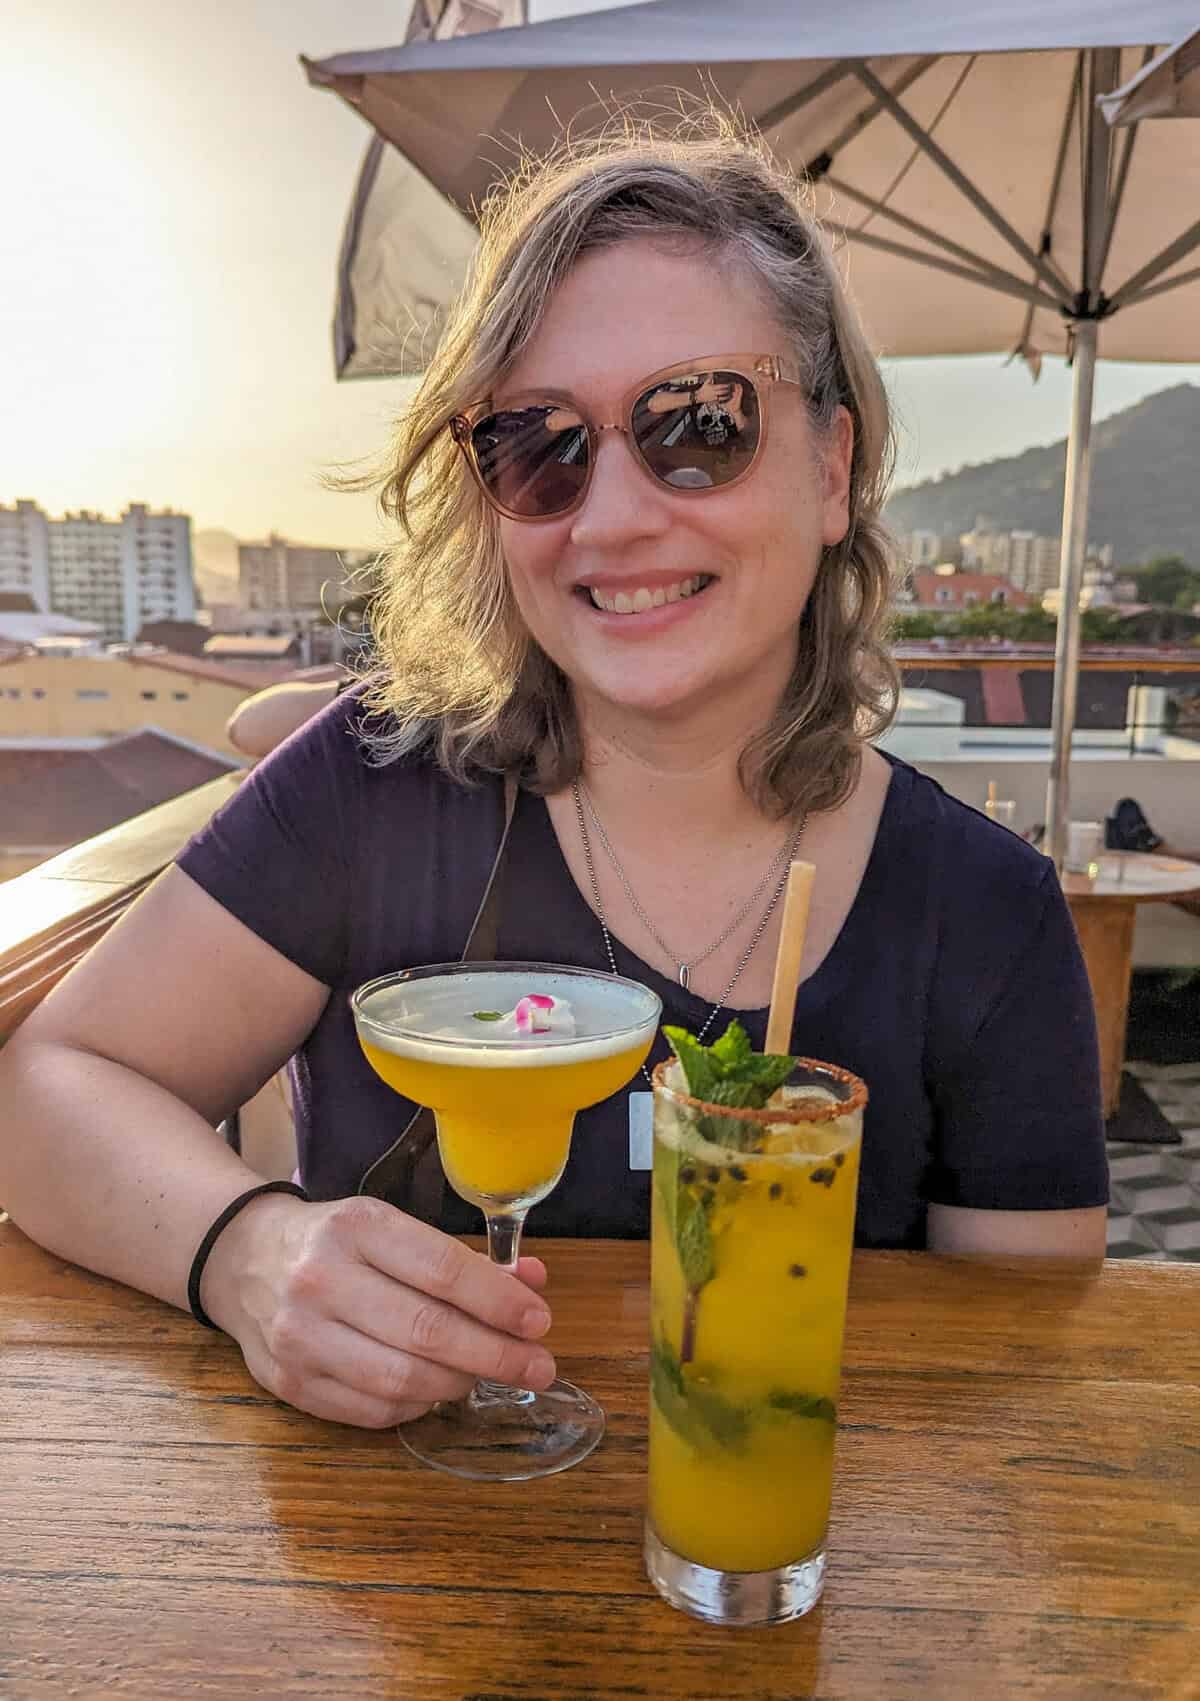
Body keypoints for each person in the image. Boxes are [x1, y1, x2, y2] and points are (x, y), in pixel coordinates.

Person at [0, 113, 1108, 1435]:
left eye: (699, 422)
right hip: (392, 1600)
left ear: (832, 465)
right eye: (539, 442)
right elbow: (51, 1084)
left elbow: (1030, 1401)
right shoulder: (370, 793)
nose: (616, 514)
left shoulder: (988, 915)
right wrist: (249, 1253)